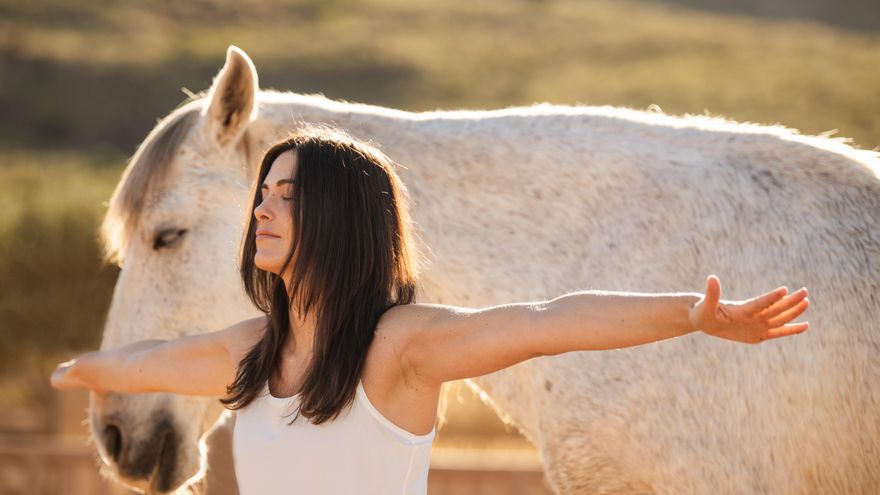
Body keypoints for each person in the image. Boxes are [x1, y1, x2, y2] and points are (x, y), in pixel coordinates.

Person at [51, 124, 810, 494]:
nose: (264, 212)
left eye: (289, 196)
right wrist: (91, 368)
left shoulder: (400, 345)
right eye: (263, 194)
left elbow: (548, 322)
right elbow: (154, 363)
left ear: (340, 220)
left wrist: (693, 314)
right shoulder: (252, 349)